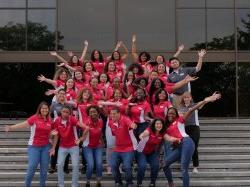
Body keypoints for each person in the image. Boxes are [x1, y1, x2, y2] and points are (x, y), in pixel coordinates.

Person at [163, 92, 221, 187]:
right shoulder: (166, 127)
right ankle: (171, 183)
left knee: (183, 168)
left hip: (187, 142)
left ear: (176, 115)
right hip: (179, 145)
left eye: (173, 113)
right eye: (169, 113)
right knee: (165, 164)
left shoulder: (180, 120)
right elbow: (166, 137)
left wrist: (205, 100)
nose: (171, 115)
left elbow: (192, 109)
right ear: (167, 115)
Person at [4, 102, 56, 187]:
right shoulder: (34, 118)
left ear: (48, 110)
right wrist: (11, 127)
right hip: (34, 147)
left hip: (46, 147)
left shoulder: (50, 121)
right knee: (32, 166)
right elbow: (23, 124)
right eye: (42, 108)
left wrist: (53, 144)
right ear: (39, 109)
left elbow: (52, 135)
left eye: (46, 108)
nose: (44, 110)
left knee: (44, 169)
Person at [52, 105, 82, 187]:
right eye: (63, 112)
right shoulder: (57, 121)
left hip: (73, 146)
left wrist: (81, 138)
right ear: (60, 112)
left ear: (70, 113)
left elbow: (82, 126)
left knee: (75, 165)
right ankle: (61, 184)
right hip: (62, 146)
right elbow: (56, 135)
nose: (65, 113)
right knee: (60, 164)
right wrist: (53, 148)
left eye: (67, 112)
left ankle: (74, 185)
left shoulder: (72, 119)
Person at [109, 107, 137, 187]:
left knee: (127, 166)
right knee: (113, 165)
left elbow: (131, 124)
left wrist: (133, 125)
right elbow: (114, 135)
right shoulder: (111, 123)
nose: (112, 115)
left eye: (114, 114)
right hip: (117, 148)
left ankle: (129, 182)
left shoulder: (125, 119)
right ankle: (118, 182)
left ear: (119, 113)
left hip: (128, 148)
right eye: (111, 114)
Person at [136, 118, 166, 187]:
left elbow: (168, 138)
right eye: (157, 124)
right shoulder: (149, 130)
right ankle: (139, 183)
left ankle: (152, 182)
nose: (159, 125)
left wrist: (175, 139)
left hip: (151, 152)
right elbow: (143, 134)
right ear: (154, 125)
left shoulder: (162, 133)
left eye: (160, 124)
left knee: (155, 165)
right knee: (142, 166)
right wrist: (141, 136)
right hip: (141, 151)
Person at [80, 105, 104, 187]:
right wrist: (85, 132)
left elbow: (100, 132)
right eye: (90, 112)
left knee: (99, 163)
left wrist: (102, 140)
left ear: (97, 112)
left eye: (94, 111)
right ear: (88, 114)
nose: (92, 113)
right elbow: (83, 138)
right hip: (88, 146)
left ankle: (98, 180)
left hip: (98, 146)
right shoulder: (87, 122)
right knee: (90, 164)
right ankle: (88, 181)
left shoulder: (101, 121)